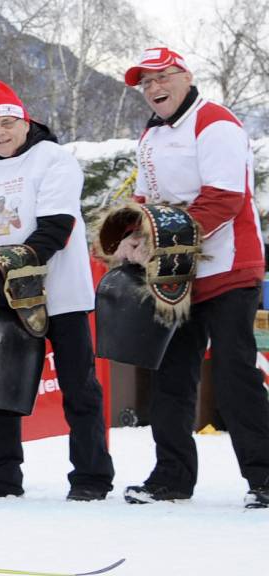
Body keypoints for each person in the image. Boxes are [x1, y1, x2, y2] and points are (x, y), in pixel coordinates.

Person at [118, 48, 269, 508]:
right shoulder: (151, 134)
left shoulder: (216, 122)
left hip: (228, 266)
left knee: (234, 371)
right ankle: (172, 478)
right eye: (146, 83)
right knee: (170, 375)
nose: (154, 88)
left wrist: (159, 239)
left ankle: (265, 477)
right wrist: (129, 235)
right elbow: (145, 196)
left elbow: (224, 199)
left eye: (163, 77)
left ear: (186, 75)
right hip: (178, 273)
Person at [0, 80, 115, 502]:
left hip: (60, 291)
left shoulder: (55, 159)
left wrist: (14, 267)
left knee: (78, 386)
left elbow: (55, 227)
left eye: (8, 123)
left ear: (25, 122)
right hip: (4, 298)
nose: (1, 133)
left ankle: (91, 476)